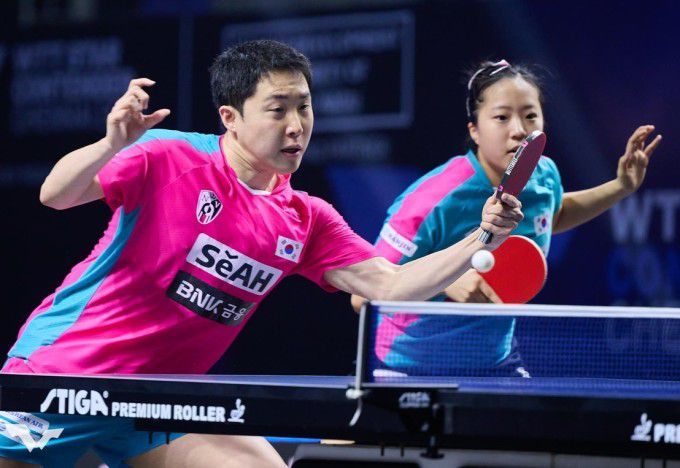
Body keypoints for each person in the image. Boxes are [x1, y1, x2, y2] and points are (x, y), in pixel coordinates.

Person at [0, 42, 523, 467]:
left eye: (304, 106)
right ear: (230, 116)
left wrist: (482, 238)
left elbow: (391, 286)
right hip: (64, 377)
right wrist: (111, 143)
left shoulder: (306, 218)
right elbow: (56, 195)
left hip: (164, 398)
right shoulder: (170, 156)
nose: (296, 125)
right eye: (278, 110)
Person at [351, 59, 661, 377]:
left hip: (495, 362)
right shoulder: (432, 201)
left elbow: (552, 216)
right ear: (474, 130)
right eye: (501, 117)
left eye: (530, 116)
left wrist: (621, 187)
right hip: (408, 365)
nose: (519, 130)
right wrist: (446, 280)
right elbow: (362, 296)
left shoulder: (544, 177)